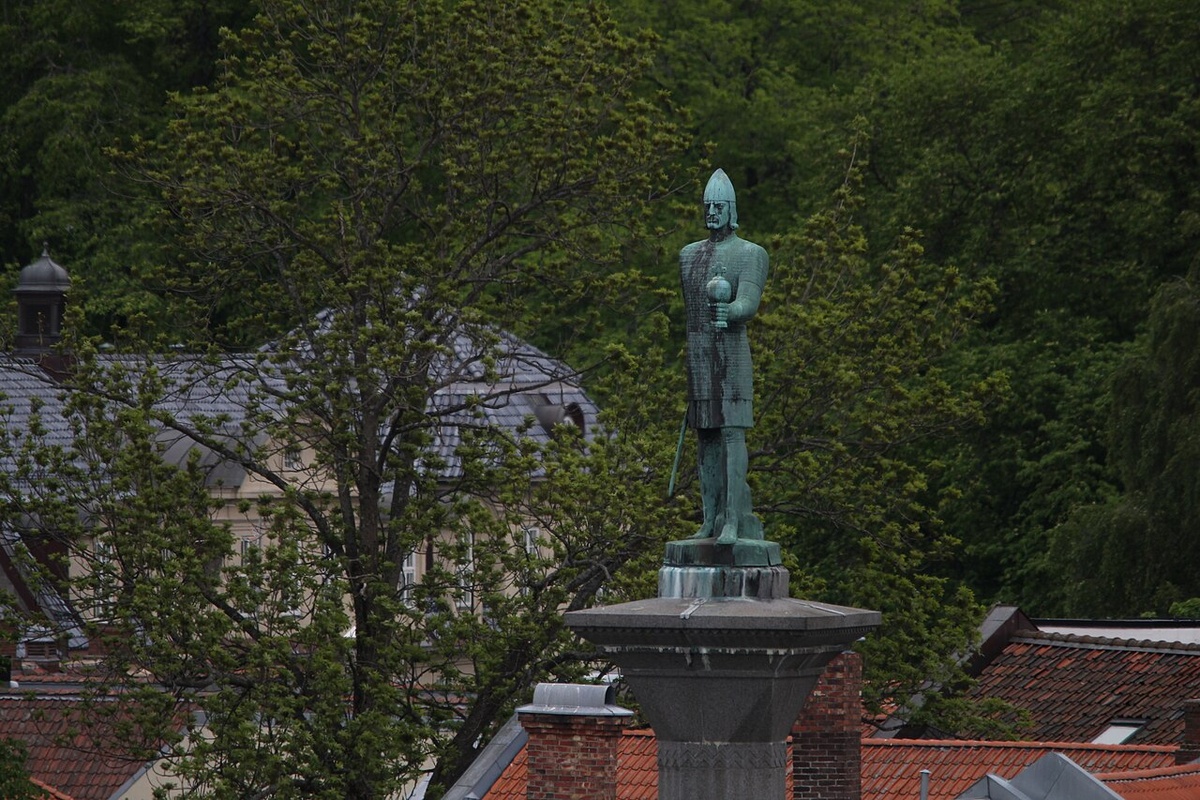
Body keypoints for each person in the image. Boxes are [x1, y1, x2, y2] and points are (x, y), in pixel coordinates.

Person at [681, 168, 768, 545]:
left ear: (731, 209)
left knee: (732, 433)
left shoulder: (751, 253)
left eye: (719, 205)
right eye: (708, 206)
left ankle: (732, 521)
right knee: (706, 436)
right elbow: (691, 313)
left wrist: (729, 310)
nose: (712, 212)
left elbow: (748, 303)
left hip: (732, 358)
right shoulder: (688, 256)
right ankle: (710, 519)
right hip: (701, 357)